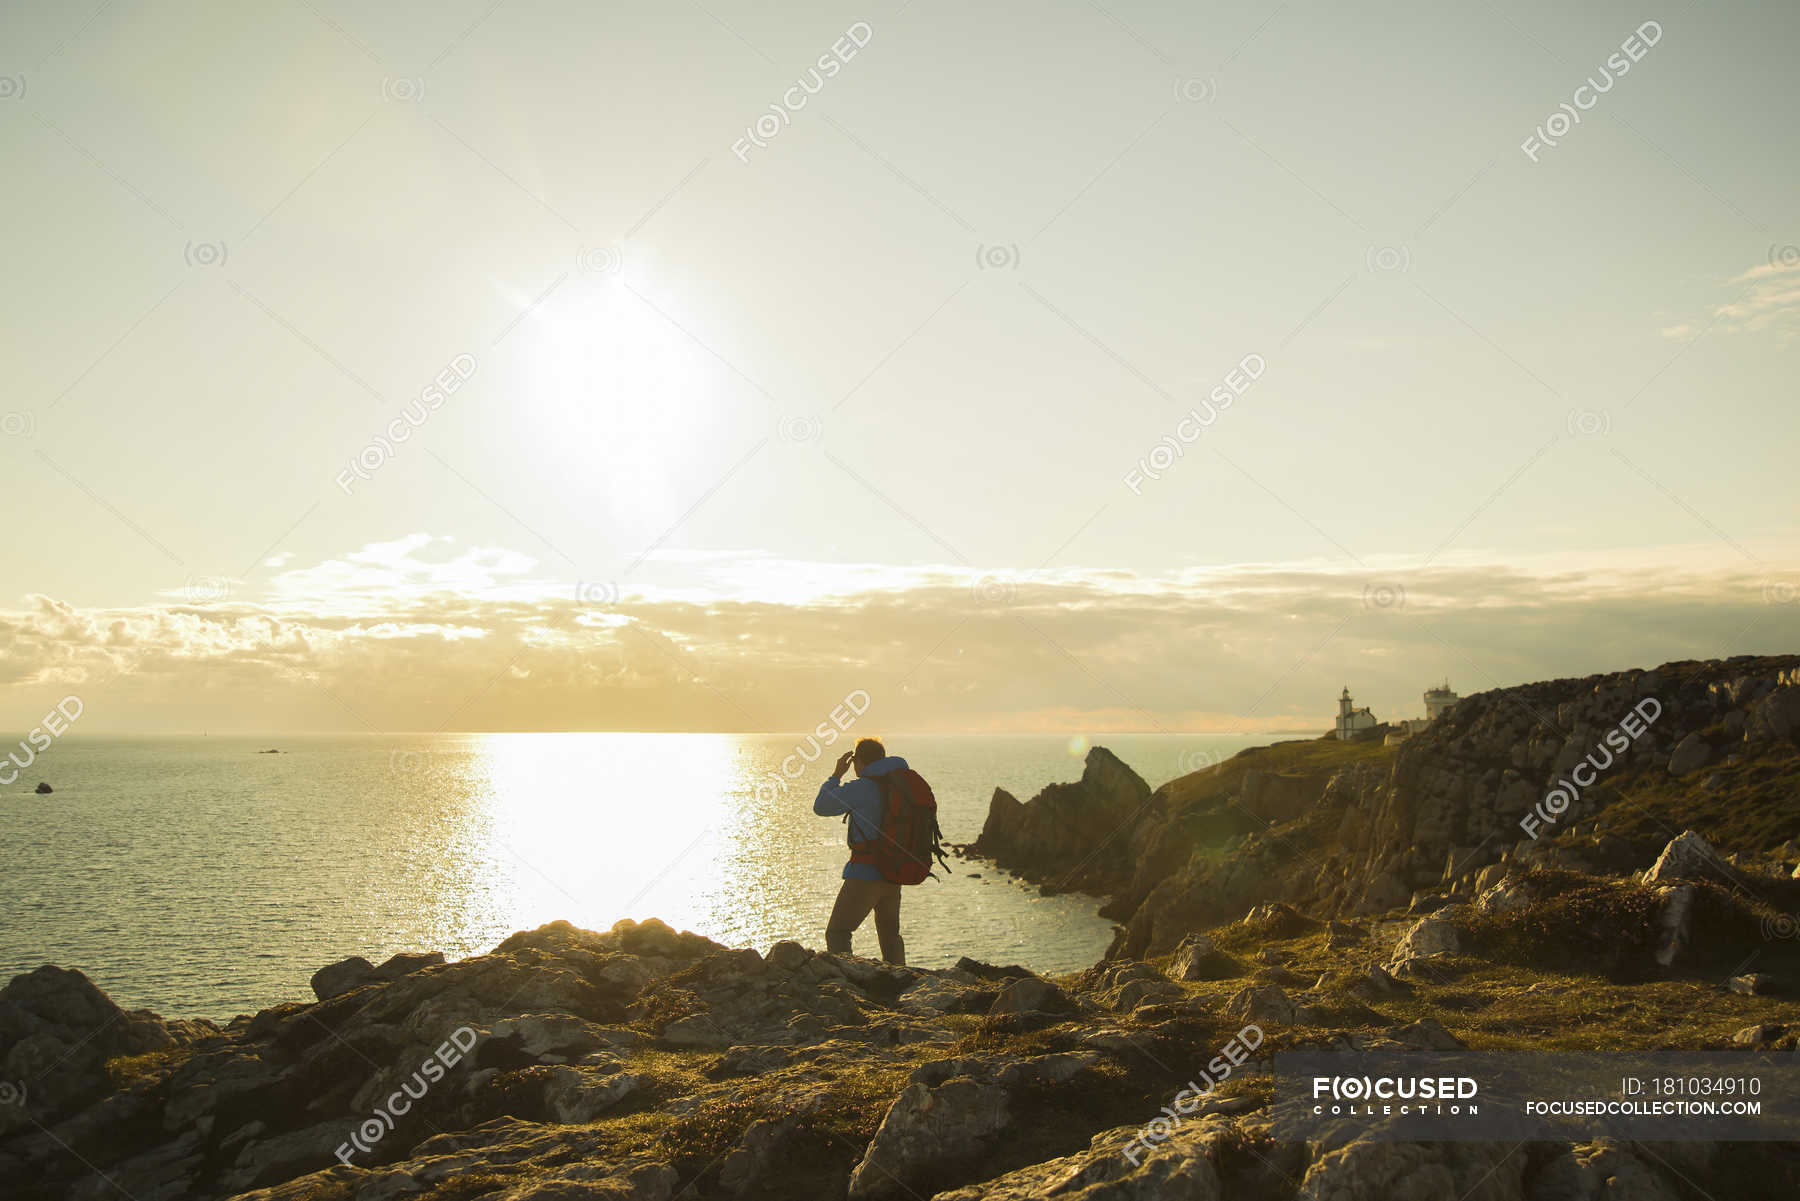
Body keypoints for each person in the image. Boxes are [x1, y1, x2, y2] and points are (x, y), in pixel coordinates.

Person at [813, 737, 907, 964]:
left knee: (837, 932)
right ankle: (901, 988)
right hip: (894, 873)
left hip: (865, 874)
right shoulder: (899, 785)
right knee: (890, 937)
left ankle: (847, 990)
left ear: (859, 761)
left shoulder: (862, 787)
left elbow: (821, 806)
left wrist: (836, 775)